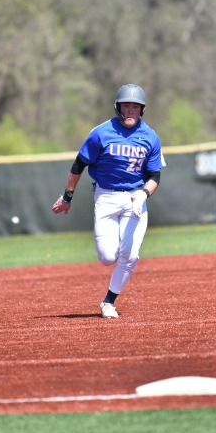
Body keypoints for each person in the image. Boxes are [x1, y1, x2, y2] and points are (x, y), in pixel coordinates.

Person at [51, 84, 165, 319]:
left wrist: (143, 194)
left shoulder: (150, 137)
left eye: (135, 107)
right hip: (106, 197)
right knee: (107, 257)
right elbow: (78, 165)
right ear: (118, 108)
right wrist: (67, 197)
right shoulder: (101, 133)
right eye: (126, 106)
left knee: (130, 256)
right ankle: (119, 252)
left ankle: (108, 302)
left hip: (135, 198)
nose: (130, 110)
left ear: (142, 110)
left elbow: (155, 176)